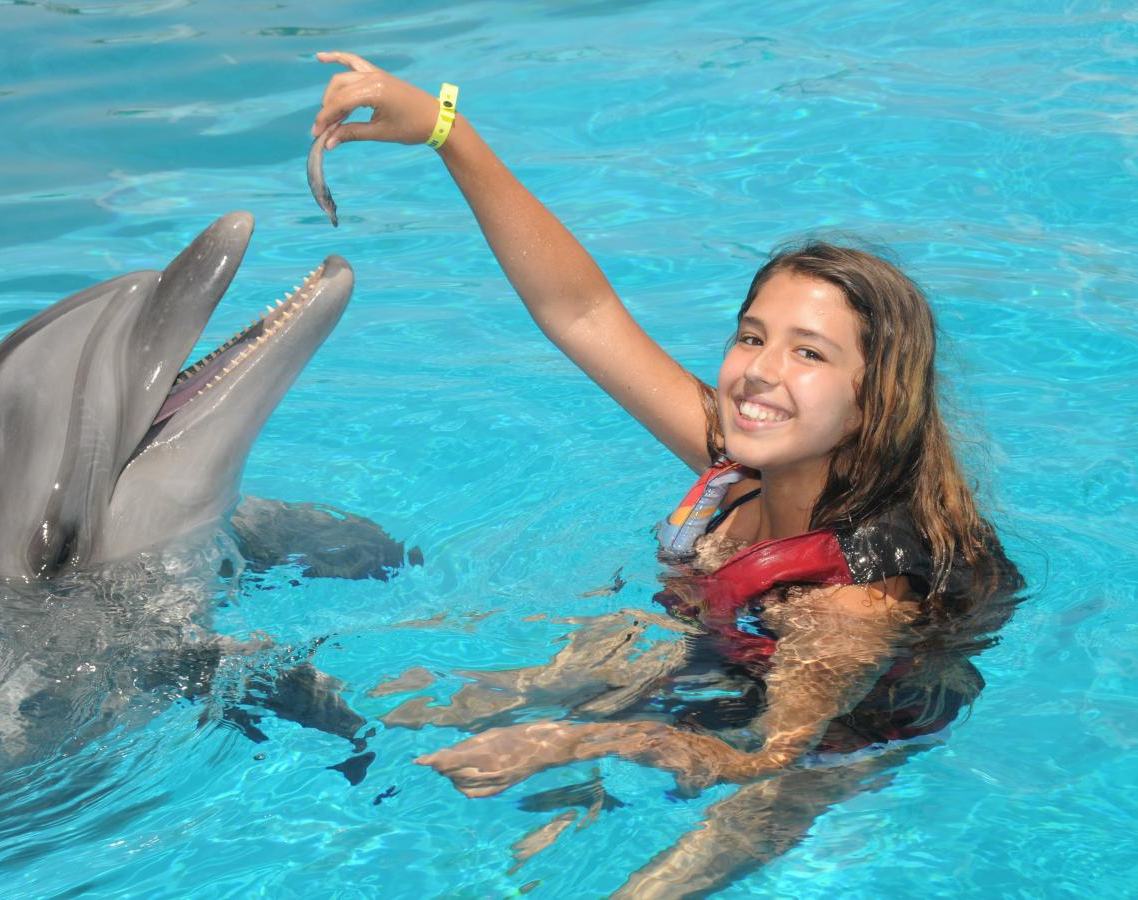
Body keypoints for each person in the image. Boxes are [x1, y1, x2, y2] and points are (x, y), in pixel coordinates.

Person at [312, 51, 1022, 897]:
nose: (759, 371)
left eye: (808, 354)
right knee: (425, 702)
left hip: (841, 727)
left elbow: (756, 762)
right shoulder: (741, 465)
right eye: (751, 336)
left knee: (682, 854)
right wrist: (445, 130)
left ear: (871, 405)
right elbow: (579, 310)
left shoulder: (852, 604)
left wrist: (582, 742)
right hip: (729, 649)